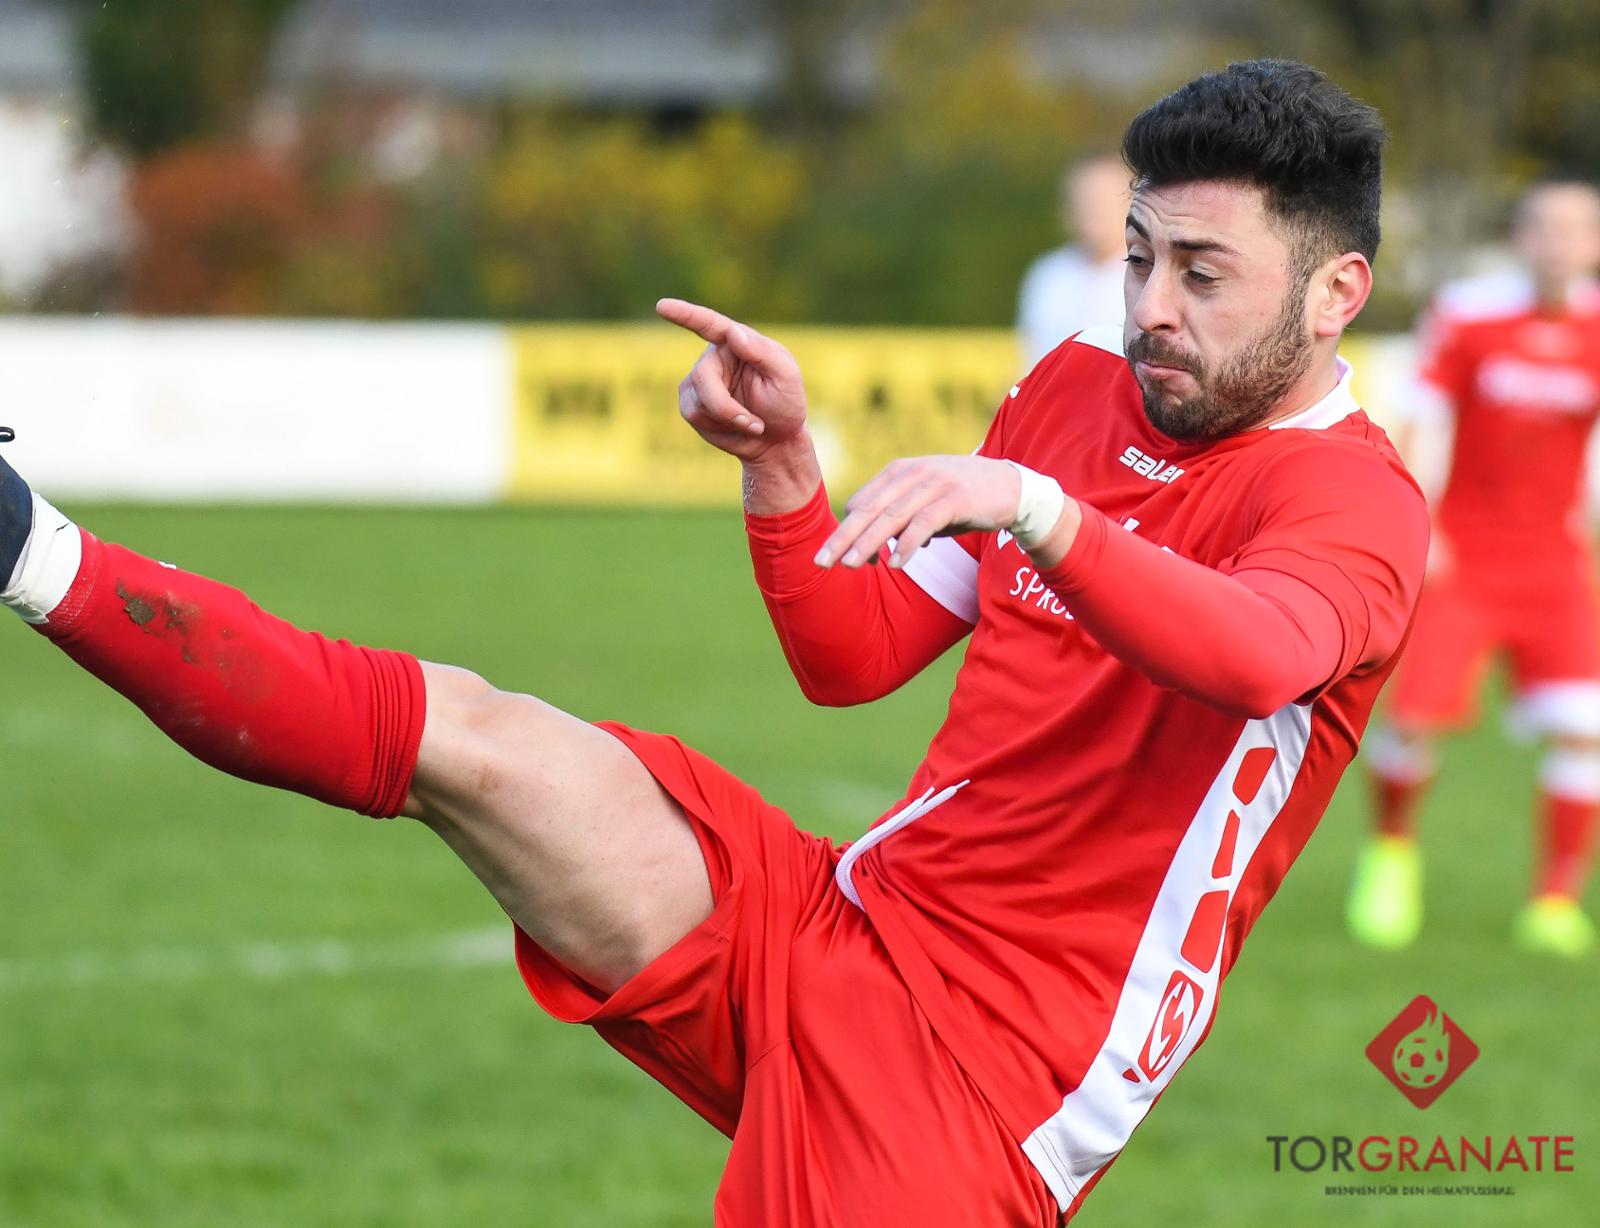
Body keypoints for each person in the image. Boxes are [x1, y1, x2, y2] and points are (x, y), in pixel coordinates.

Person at [0, 60, 1425, 1225]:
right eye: (1138, 257)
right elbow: (852, 655)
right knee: (469, 737)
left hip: (983, 1083)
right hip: (835, 917)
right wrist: (783, 471)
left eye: (1202, 273)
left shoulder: (1352, 501)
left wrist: (1042, 514)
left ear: (1334, 293)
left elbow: (1256, 654)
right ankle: (26, 546)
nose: (1151, 307)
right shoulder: (1073, 391)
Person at [1348, 178, 1600, 958]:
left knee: (1585, 729)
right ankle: (1391, 856)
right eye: (1545, 227)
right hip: (1464, 554)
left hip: (1555, 560)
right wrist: (1420, 523)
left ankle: (1554, 901)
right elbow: (1422, 417)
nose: (1559, 243)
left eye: (1576, 229)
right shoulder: (1469, 315)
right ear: (1522, 238)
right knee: (1414, 722)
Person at [1016, 153, 1133, 367]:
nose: (1093, 210)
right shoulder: (1047, 273)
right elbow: (1029, 359)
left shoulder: (1147, 273)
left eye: (1103, 200)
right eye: (1084, 200)